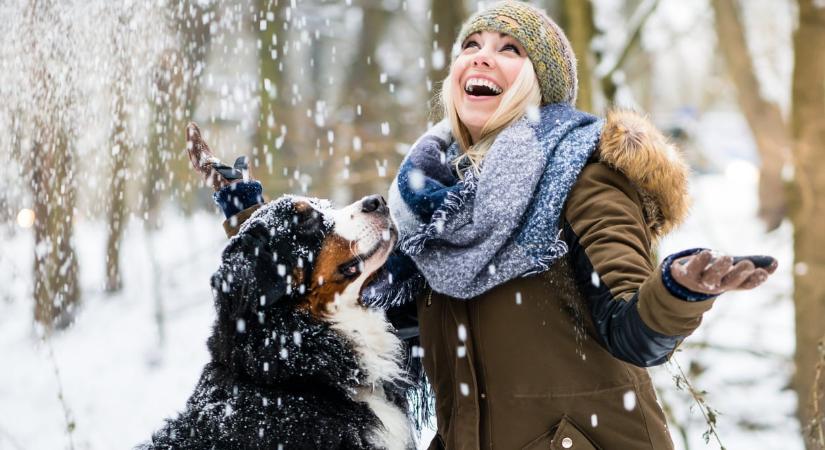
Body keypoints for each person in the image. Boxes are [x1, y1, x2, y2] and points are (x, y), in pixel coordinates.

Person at [187, 2, 777, 448]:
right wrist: (252, 223)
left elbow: (633, 331)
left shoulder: (583, 176)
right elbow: (352, 295)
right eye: (471, 43)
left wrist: (678, 291)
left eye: (509, 48)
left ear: (537, 84)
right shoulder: (430, 204)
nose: (481, 54)